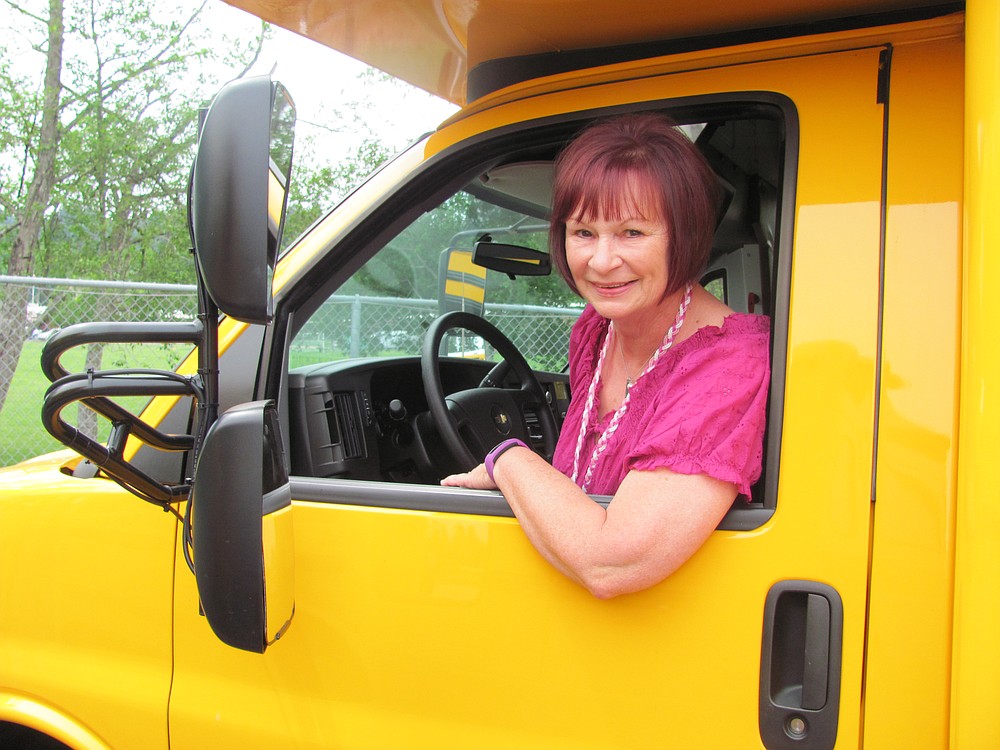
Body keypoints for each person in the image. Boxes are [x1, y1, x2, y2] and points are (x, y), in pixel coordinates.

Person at [441, 112, 770, 599]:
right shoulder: (596, 330)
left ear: (686, 233)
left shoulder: (728, 363)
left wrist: (506, 462)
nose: (601, 261)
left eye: (633, 233)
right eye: (584, 232)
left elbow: (612, 562)